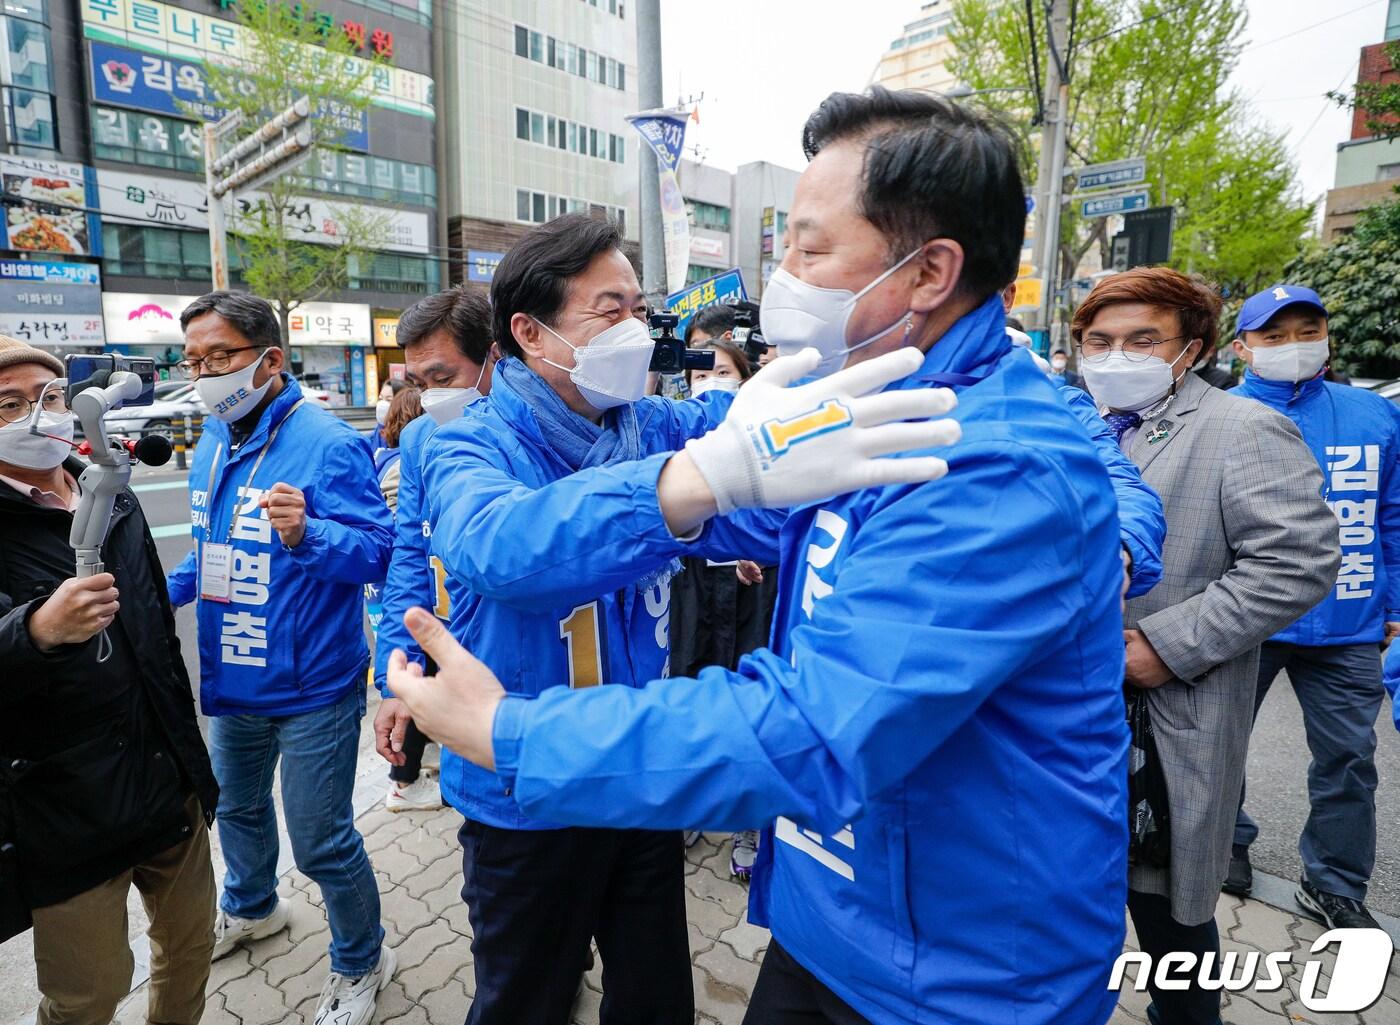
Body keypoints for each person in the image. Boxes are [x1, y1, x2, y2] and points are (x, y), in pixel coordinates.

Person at [392, 89, 1146, 1025]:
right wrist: (708, 478)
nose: (783, 272)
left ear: (929, 270)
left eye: (809, 247)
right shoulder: (870, 411)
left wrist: (512, 730)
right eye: (610, 310)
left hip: (955, 971)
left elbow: (814, 728)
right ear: (529, 334)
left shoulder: (985, 454)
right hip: (830, 905)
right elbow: (516, 543)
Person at [1074, 267, 1338, 1025]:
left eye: (1141, 339)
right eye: (1100, 340)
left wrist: (1164, 645)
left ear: (1190, 349)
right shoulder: (1067, 425)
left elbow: (1299, 561)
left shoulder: (1241, 428)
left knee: (1167, 915)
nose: (1117, 355)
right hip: (1068, 718)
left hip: (1166, 717)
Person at [165, 291, 395, 1025]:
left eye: (219, 357)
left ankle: (363, 959)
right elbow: (209, 547)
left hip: (313, 688)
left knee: (322, 840)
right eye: (194, 359)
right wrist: (149, 593)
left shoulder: (327, 441)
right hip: (236, 677)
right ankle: (254, 906)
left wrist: (309, 537)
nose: (203, 373)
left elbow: (382, 552)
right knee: (235, 809)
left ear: (270, 358)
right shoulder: (213, 435)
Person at [0, 337, 219, 1025]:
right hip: (65, 808)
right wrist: (33, 631)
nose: (40, 414)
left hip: (167, 781)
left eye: (50, 395)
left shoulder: (110, 489)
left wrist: (192, 765)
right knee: (87, 994)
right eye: (10, 402)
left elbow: (154, 632)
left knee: (188, 947)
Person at [1226, 284, 1397, 929]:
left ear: (1327, 338)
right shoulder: (1220, 415)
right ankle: (1226, 845)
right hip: (1250, 619)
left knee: (1350, 761)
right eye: (1273, 336)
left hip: (1351, 622)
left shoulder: (1374, 416)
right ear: (1243, 348)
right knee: (1222, 748)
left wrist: (1397, 606)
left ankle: (1334, 885)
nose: (1293, 347)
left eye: (1307, 331)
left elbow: (1393, 518)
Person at [372, 286, 498, 811]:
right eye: (420, 383)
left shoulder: (533, 427)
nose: (431, 397)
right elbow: (409, 559)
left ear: (495, 356)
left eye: (444, 379)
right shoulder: (422, 437)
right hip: (453, 656)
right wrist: (395, 678)